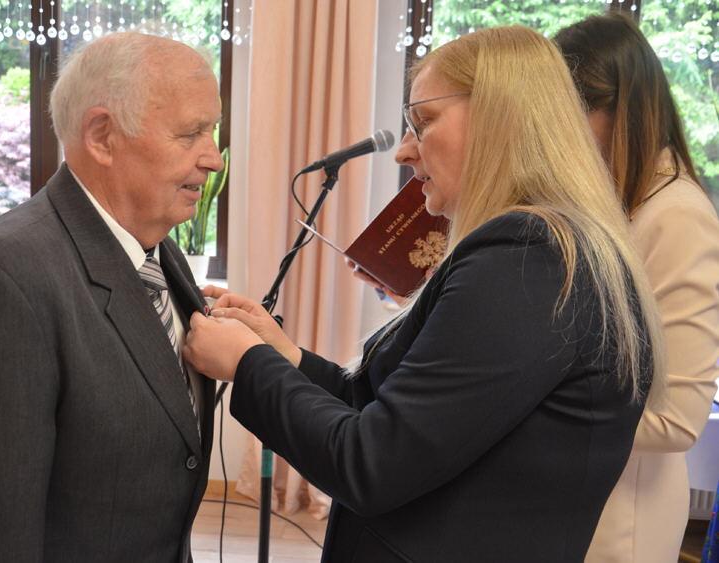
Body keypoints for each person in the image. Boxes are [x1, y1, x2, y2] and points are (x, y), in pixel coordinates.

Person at [184, 26, 666, 562]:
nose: (404, 151)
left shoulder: (527, 261)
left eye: (424, 122)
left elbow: (372, 462)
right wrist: (284, 356)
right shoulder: (542, 251)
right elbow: (393, 412)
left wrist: (248, 363)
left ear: (499, 118)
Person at [0, 32, 223, 562]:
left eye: (211, 131)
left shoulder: (158, 250)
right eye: (190, 134)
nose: (213, 158)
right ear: (102, 136)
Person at [555, 14, 719, 562]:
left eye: (568, 115)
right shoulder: (611, 204)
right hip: (574, 496)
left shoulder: (676, 215)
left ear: (619, 111)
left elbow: (676, 418)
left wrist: (531, 412)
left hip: (620, 519)